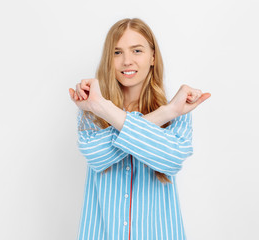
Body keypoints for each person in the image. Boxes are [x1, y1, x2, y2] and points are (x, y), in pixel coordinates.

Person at [69, 18, 211, 240]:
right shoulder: (92, 109)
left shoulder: (180, 111)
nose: (127, 61)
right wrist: (163, 114)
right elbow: (97, 156)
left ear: (153, 57)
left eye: (137, 50)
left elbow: (171, 160)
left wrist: (108, 111)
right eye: (117, 53)